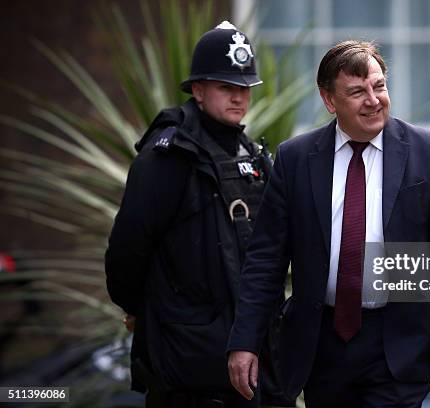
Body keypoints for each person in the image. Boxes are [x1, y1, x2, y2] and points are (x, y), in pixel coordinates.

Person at [227, 41, 430, 408]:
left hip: (398, 347)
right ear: (329, 101)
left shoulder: (428, 152)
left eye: (379, 86)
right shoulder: (296, 160)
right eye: (357, 92)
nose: (373, 100)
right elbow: (266, 260)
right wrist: (245, 341)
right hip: (322, 347)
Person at [105, 21, 291, 408]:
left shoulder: (251, 156)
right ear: (199, 90)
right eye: (227, 87)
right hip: (190, 371)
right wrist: (143, 312)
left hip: (254, 362)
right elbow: (127, 252)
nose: (239, 97)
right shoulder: (168, 157)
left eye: (244, 88)